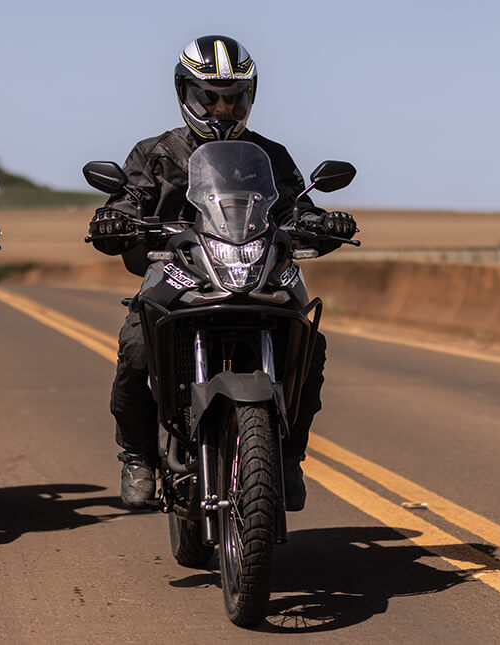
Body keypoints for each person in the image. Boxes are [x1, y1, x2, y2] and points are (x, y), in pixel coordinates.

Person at [86, 36, 358, 511]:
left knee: (309, 344)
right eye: (209, 96)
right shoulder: (156, 153)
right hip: (178, 270)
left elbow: (298, 204)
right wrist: (113, 218)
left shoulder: (269, 155)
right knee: (134, 348)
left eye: (234, 97)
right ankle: (137, 458)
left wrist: (322, 220)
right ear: (184, 93)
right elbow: (125, 199)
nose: (223, 108)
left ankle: (289, 456)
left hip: (257, 269)